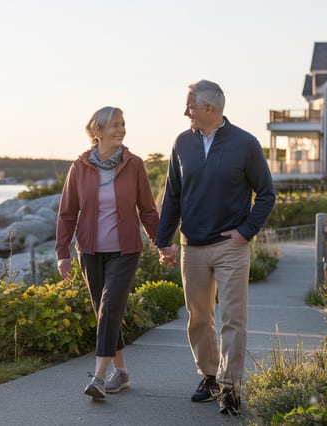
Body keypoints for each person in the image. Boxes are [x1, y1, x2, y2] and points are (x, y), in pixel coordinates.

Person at [156, 80, 275, 416]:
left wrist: (246, 232)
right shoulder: (182, 143)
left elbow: (266, 193)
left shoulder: (245, 144)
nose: (185, 112)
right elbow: (173, 195)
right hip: (192, 246)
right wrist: (164, 240)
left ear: (208, 108)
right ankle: (209, 376)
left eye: (189, 106)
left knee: (233, 319)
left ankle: (230, 387)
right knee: (198, 317)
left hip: (230, 246)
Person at [55, 106, 160, 400]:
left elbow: (148, 210)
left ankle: (99, 377)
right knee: (104, 312)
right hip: (89, 251)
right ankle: (122, 373)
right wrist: (62, 253)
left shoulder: (134, 164)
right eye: (115, 125)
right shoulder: (80, 166)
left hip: (125, 250)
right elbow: (67, 213)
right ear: (97, 131)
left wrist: (162, 242)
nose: (121, 129)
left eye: (123, 124)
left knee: (110, 305)